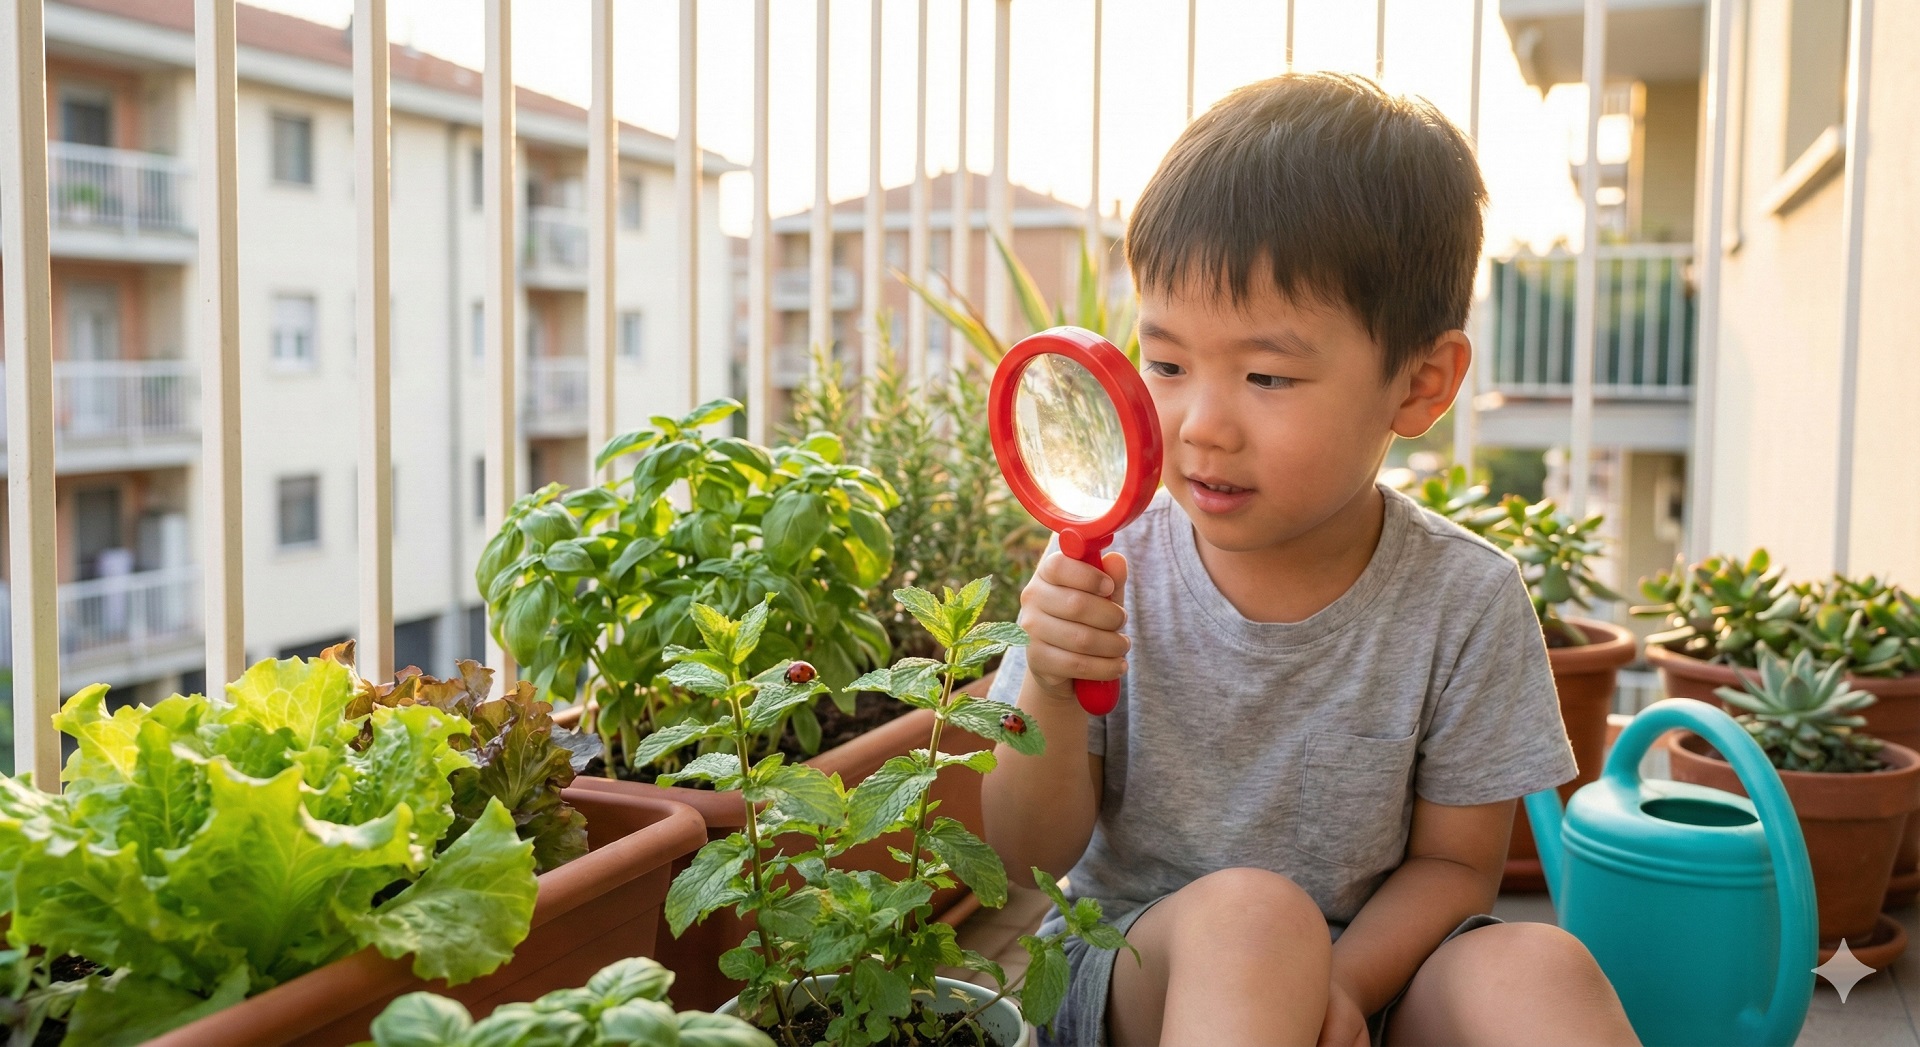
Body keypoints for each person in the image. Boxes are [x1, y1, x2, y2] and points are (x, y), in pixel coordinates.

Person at [981, 73, 1640, 1047]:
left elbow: (1458, 870)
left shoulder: (1466, 598)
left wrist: (1337, 984)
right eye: (1165, 364)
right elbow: (1021, 856)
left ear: (1419, 386)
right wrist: (1047, 681)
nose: (1202, 426)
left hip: (1372, 974)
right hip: (1143, 972)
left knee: (1537, 967)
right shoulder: (1109, 564)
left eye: (1266, 376)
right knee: (1254, 922)